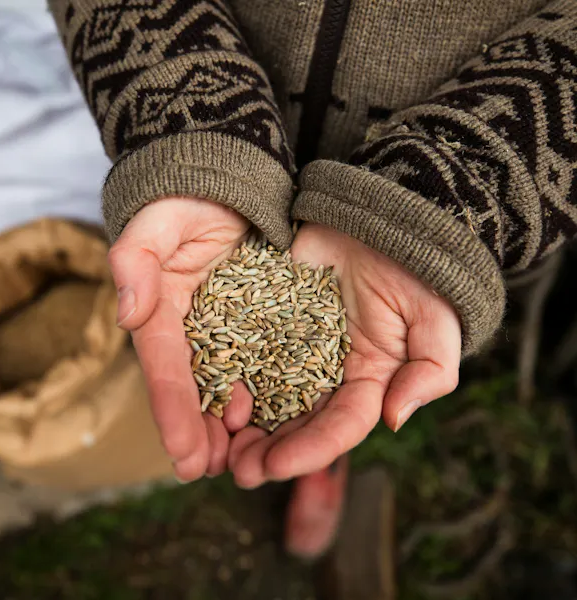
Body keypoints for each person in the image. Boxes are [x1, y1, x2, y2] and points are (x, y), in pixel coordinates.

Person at [48, 0, 577, 558]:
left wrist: (466, 182)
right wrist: (186, 110)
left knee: (373, 364)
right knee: (175, 313)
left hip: (450, 207)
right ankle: (296, 436)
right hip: (220, 136)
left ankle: (324, 452)